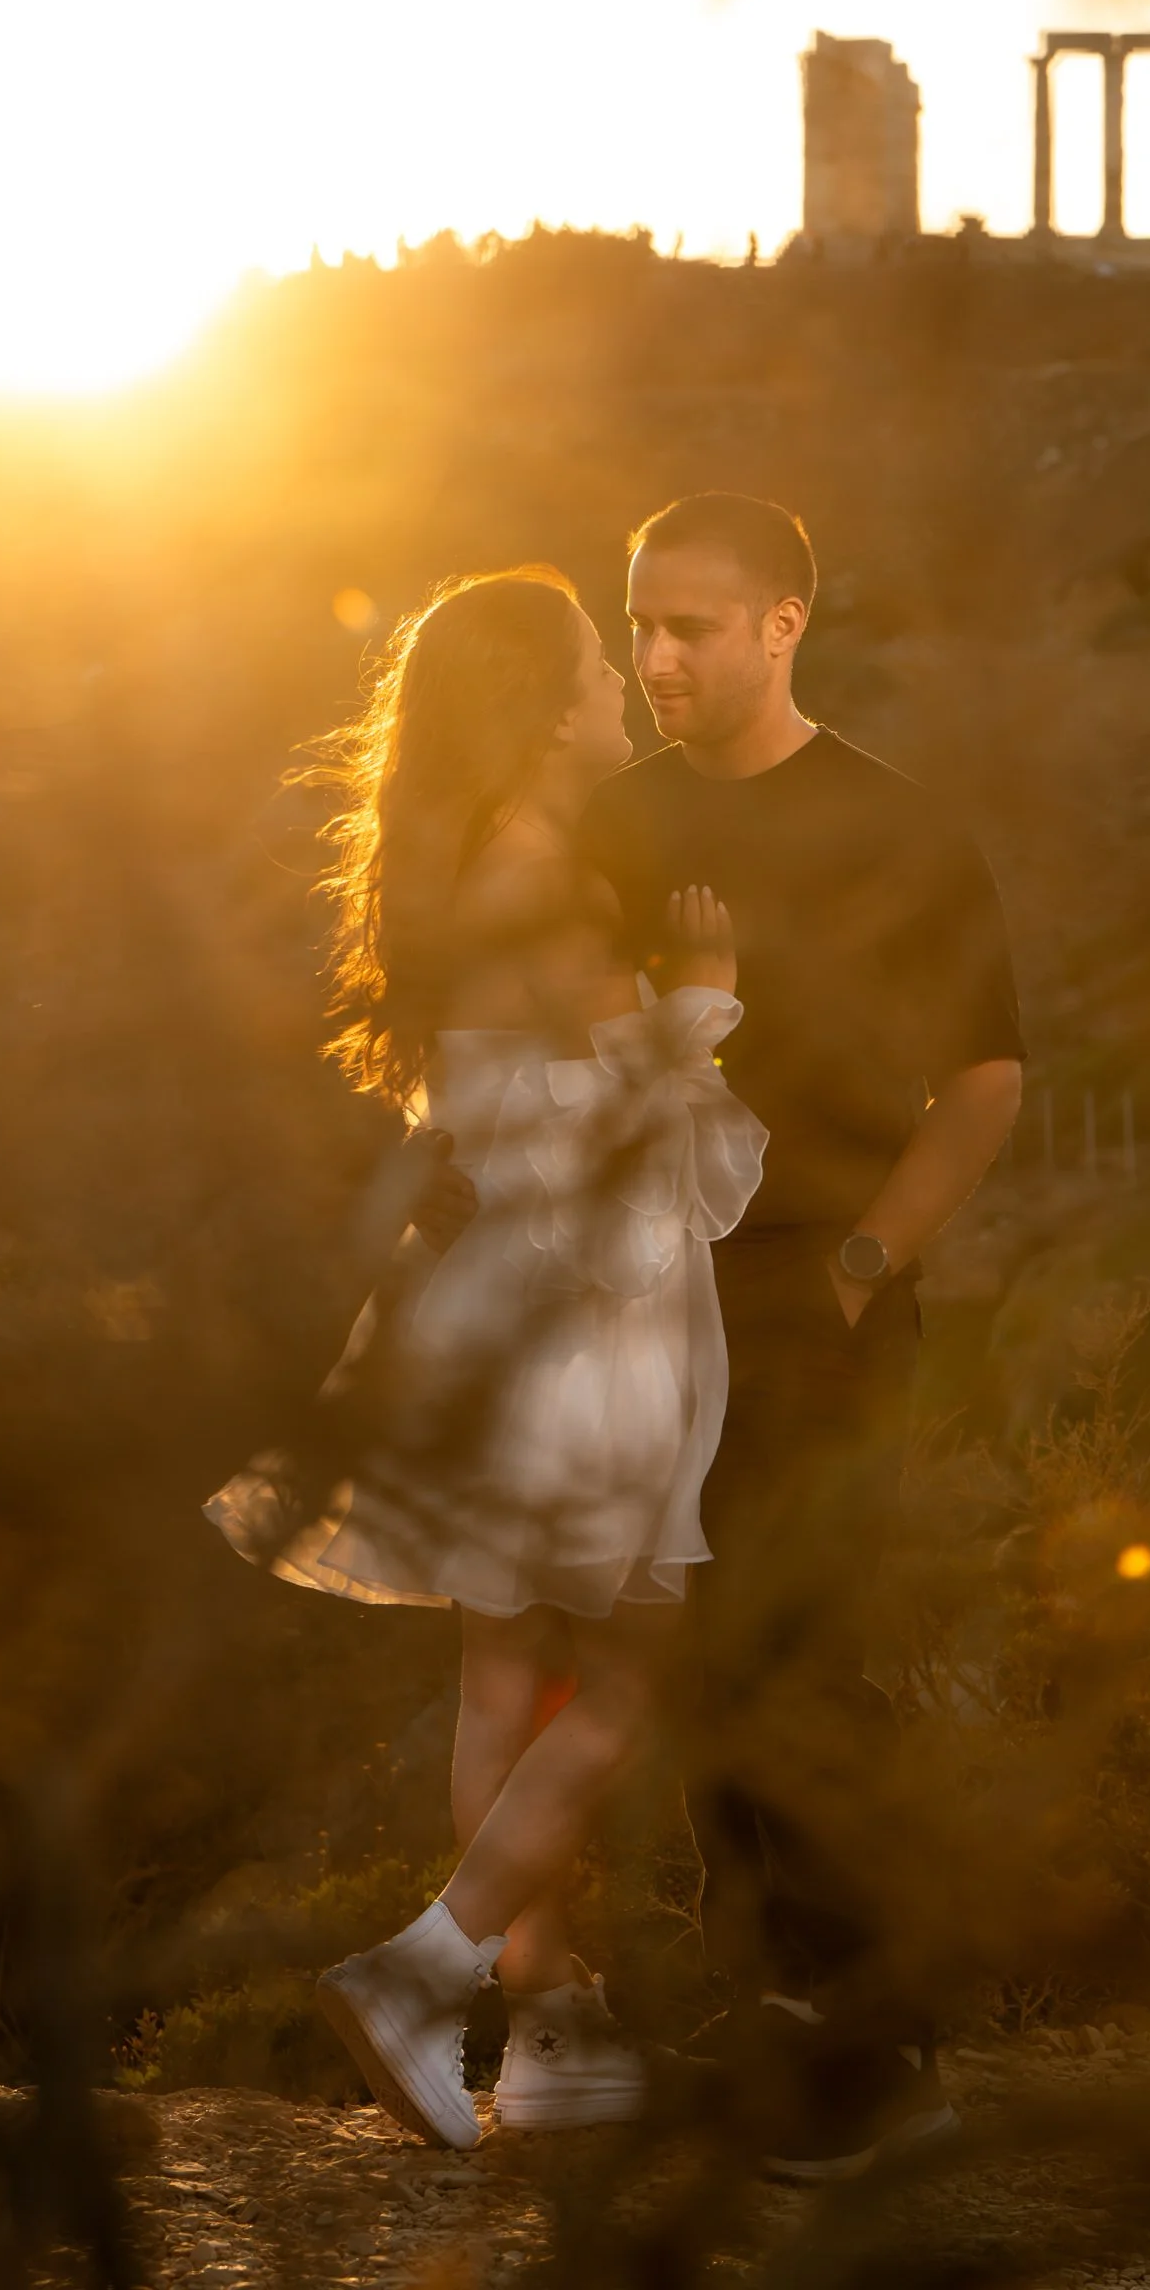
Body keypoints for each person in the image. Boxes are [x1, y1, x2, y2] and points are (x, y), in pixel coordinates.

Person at [415, 496, 1026, 2180]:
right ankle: (767, 2019)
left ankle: (876, 2057)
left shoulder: (900, 827)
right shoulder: (605, 822)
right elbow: (525, 1032)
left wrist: (861, 1266)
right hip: (630, 1307)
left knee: (804, 1656)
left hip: (818, 1302)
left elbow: (984, 1083)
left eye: (693, 625)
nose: (659, 656)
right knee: (689, 1671)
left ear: (784, 623)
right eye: (640, 625)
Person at [205, 567, 767, 2151]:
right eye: (594, 661)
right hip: (576, 1314)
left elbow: (490, 1107)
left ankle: (555, 2038)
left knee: (507, 1675)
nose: (618, 683)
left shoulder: (451, 862)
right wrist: (704, 1006)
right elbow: (618, 1128)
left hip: (480, 1303)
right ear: (538, 703)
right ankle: (426, 1969)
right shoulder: (549, 877)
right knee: (636, 1670)